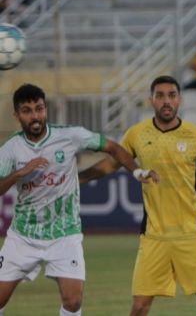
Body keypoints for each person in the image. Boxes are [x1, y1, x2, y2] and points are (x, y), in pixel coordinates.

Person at [79, 76, 196, 316]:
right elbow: (110, 165)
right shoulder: (136, 134)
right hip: (154, 235)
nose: (166, 101)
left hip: (192, 233)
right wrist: (77, 179)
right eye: (160, 96)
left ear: (179, 100)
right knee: (140, 306)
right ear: (151, 100)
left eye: (172, 95)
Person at [0, 84, 156, 316]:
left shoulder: (69, 135)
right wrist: (19, 173)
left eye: (39, 108)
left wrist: (137, 171)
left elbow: (112, 147)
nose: (35, 116)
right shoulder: (11, 148)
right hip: (24, 235)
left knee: (73, 301)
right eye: (27, 111)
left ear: (45, 109)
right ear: (17, 115)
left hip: (64, 233)